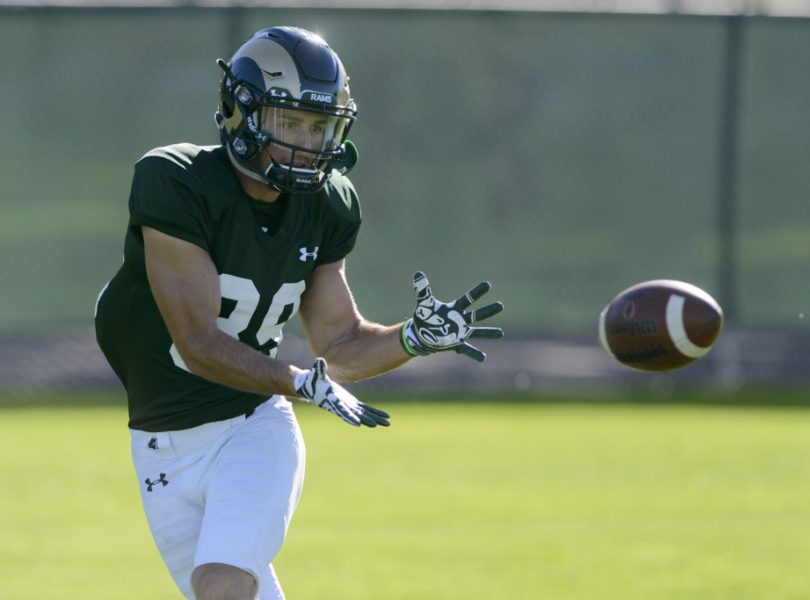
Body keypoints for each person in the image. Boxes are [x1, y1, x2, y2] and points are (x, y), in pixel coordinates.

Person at [94, 26, 503, 600]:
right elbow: (197, 343)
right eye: (290, 123)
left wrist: (411, 338)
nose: (309, 144)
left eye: (320, 127)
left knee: (221, 585)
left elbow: (338, 345)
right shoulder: (176, 182)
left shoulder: (327, 204)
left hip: (252, 427)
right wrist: (300, 382)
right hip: (161, 445)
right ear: (241, 112)